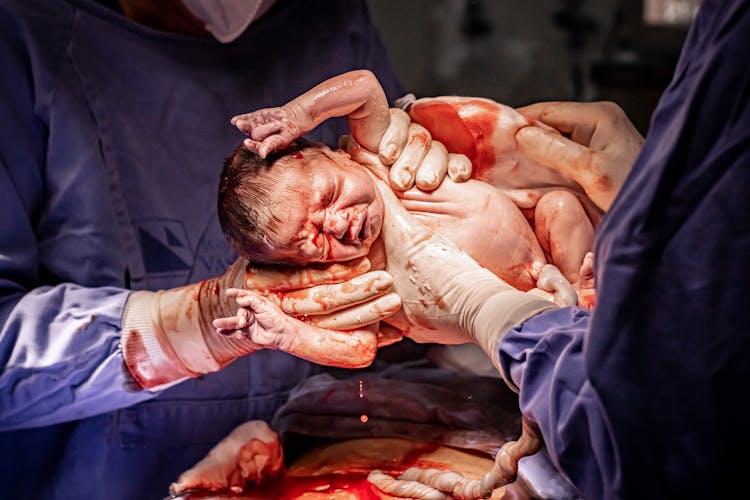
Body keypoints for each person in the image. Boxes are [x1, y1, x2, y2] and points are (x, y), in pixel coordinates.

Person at [208, 1, 749, 497]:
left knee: (560, 208)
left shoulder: (381, 163)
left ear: (339, 156)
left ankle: (587, 305)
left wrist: (300, 113)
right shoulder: (358, 284)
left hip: (552, 256)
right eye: (313, 242)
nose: (340, 225)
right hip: (508, 355)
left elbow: (366, 87)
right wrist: (287, 332)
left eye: (328, 196)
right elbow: (358, 352)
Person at [0, 1, 448, 498]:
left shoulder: (328, 21)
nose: (340, 225)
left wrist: (432, 156)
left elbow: (393, 345)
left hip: (315, 464)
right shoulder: (25, 41)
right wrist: (184, 327)